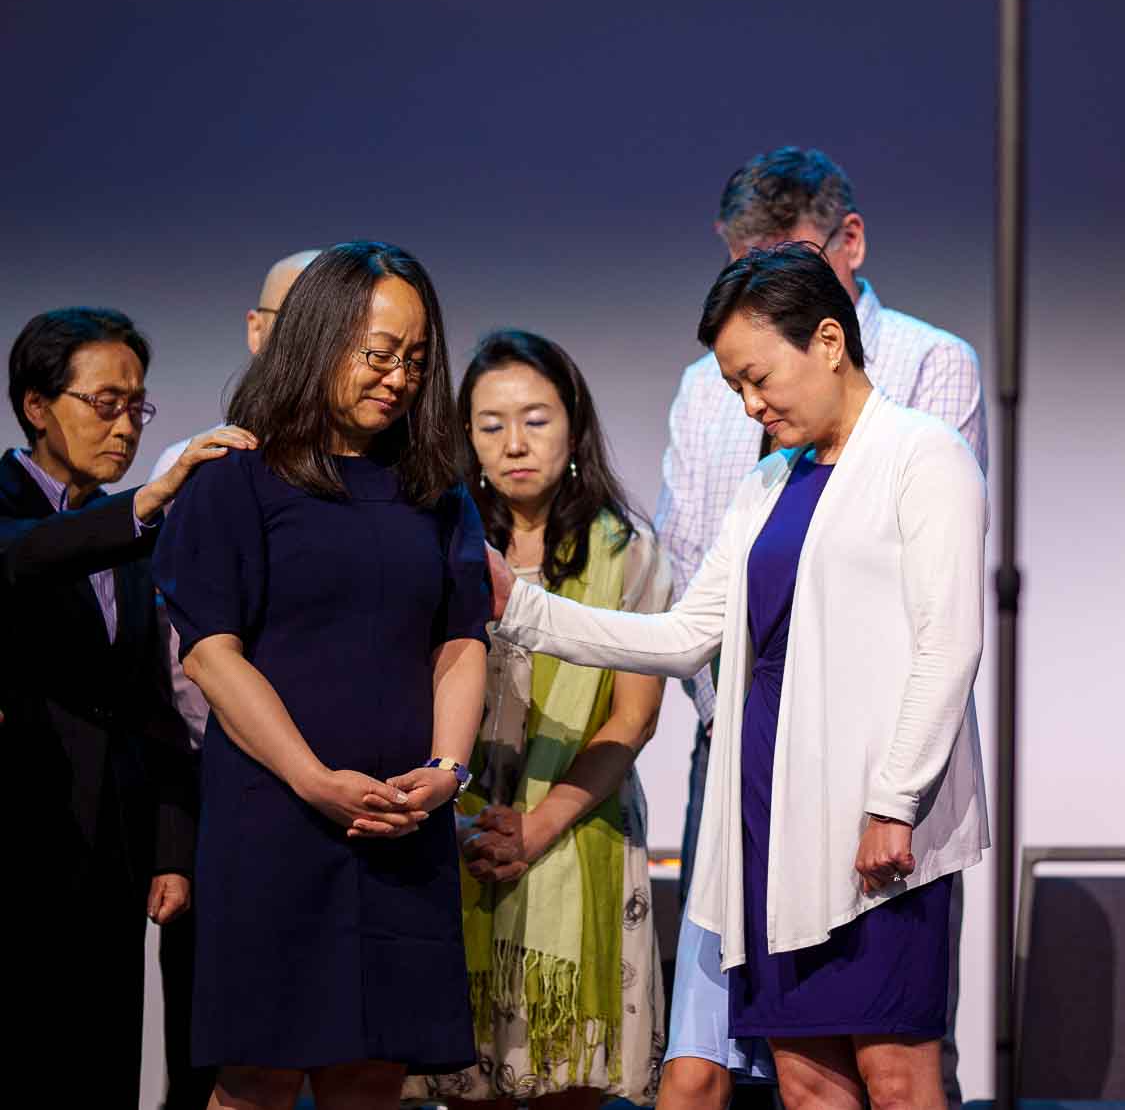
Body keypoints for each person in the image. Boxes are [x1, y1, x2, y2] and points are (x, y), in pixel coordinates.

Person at [495, 246, 989, 1110]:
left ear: (829, 341)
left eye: (759, 378)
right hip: (770, 811)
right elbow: (688, 635)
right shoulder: (767, 483)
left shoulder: (923, 454)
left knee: (898, 1072)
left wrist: (895, 801)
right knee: (804, 1078)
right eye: (736, 390)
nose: (752, 405)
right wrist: (523, 609)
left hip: (875, 816)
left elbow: (946, 643)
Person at [655, 146, 984, 1109]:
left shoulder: (928, 373)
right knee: (771, 1068)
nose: (755, 284)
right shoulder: (713, 402)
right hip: (746, 756)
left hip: (877, 769)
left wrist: (890, 788)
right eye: (737, 260)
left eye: (782, 256)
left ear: (848, 243)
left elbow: (933, 613)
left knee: (900, 1059)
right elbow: (694, 594)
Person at [153, 241, 490, 1110]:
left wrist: (447, 772)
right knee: (258, 1072)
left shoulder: (436, 491)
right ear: (314, 339)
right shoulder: (235, 478)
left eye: (416, 359)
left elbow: (459, 642)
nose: (399, 377)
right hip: (273, 816)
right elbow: (210, 652)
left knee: (375, 1069)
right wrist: (311, 778)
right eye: (379, 353)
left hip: (400, 818)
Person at [410, 330, 672, 1108]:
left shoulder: (629, 552)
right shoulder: (434, 543)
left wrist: (538, 825)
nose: (514, 443)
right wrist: (465, 821)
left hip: (580, 828)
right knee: (462, 1082)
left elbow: (633, 719)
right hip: (453, 831)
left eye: (536, 418)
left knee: (568, 1085)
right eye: (490, 425)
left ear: (574, 426)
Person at [1, 307, 253, 1107]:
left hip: (109, 844)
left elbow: (155, 703)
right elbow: (24, 558)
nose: (125, 427)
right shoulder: (29, 513)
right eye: (103, 403)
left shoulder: (135, 540)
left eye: (136, 407)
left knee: (104, 1060)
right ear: (38, 406)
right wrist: (148, 504)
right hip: (19, 839)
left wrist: (172, 847)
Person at [145, 246, 319, 1110]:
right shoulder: (206, 468)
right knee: (223, 1065)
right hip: (225, 802)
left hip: (352, 805)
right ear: (260, 333)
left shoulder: (392, 479)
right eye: (304, 322)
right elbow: (181, 667)